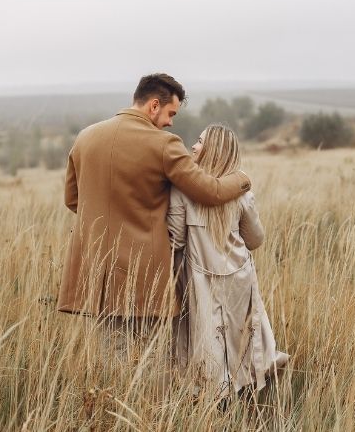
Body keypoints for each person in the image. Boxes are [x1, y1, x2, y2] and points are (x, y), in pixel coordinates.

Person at [57, 75, 251, 375]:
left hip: (97, 270)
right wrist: (242, 179)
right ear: (154, 105)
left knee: (114, 356)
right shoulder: (164, 145)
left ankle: (116, 415)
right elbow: (210, 192)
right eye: (171, 114)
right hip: (143, 273)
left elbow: (73, 200)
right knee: (150, 360)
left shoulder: (85, 137)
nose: (171, 123)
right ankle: (152, 418)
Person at [167, 124, 289, 402]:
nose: (194, 146)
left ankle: (219, 403)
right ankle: (247, 394)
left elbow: (175, 240)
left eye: (200, 142)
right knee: (242, 337)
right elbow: (256, 240)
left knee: (209, 343)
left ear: (214, 151)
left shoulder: (181, 192)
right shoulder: (242, 194)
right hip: (239, 277)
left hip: (201, 279)